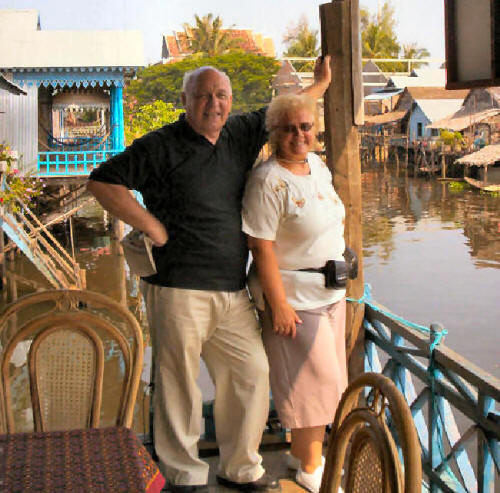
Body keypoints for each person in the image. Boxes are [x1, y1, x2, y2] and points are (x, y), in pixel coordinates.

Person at [87, 58, 331, 493]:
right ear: (185, 100)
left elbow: (285, 110)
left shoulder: (239, 133)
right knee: (178, 384)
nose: (213, 104)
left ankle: (240, 467)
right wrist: (150, 224)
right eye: (202, 96)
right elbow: (103, 182)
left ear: (230, 101)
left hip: (232, 290)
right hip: (177, 287)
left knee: (250, 374)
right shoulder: (161, 144)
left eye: (221, 95)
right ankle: (184, 474)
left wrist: (319, 85)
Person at [241, 93, 347, 493]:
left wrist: (321, 83)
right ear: (273, 133)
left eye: (305, 126)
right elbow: (261, 247)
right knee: (312, 386)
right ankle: (311, 470)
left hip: (330, 293)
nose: (298, 135)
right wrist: (279, 304)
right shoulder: (267, 180)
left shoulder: (316, 165)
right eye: (288, 129)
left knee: (328, 382)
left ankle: (303, 455)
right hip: (295, 300)